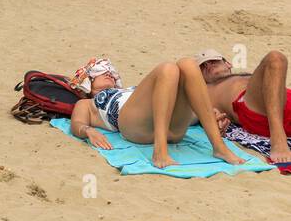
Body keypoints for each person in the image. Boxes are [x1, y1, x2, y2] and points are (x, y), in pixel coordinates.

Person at [69, 57, 246, 170]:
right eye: (101, 72)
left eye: (111, 72)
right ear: (87, 82)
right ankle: (159, 150)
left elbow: (171, 104)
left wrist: (208, 115)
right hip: (134, 127)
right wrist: (88, 131)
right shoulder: (86, 103)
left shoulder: (133, 91)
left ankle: (219, 147)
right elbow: (76, 124)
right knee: (168, 68)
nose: (109, 74)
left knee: (188, 64)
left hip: (172, 129)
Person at [200, 49, 291, 165]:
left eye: (213, 61)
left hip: (284, 98)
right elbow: (191, 112)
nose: (208, 65)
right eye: (202, 66)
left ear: (228, 64)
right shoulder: (206, 90)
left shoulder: (248, 76)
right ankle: (278, 139)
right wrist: (210, 114)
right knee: (276, 58)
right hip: (255, 108)